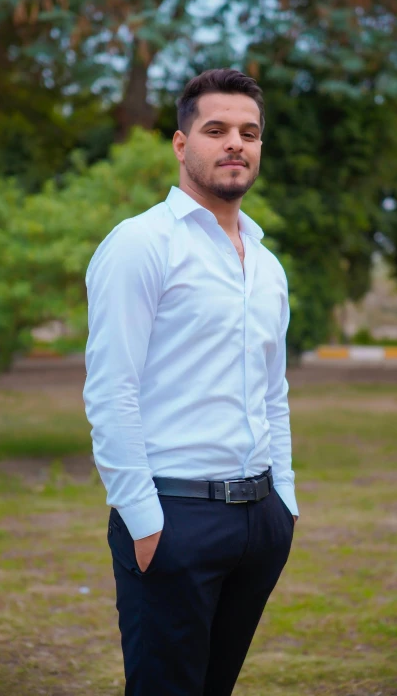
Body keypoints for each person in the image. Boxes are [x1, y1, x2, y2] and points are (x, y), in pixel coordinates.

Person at [83, 68, 299, 696]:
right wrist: (145, 523)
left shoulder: (265, 263)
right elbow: (110, 392)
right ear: (182, 144)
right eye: (217, 129)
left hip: (259, 521)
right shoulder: (141, 244)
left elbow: (272, 391)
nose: (236, 143)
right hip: (172, 518)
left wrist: (283, 503)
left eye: (249, 132)